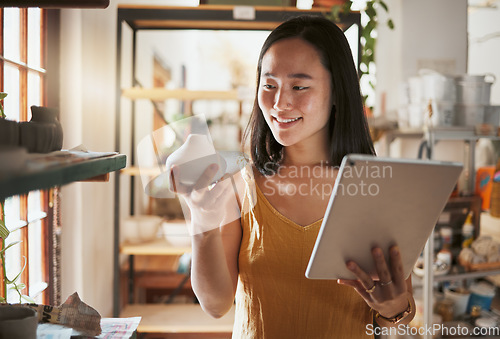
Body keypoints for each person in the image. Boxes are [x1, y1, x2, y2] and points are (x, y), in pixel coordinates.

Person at [171, 15, 415, 338]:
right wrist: (200, 219)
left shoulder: (375, 190)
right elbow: (215, 304)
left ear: (338, 92)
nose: (279, 103)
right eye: (269, 85)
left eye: (299, 86)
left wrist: (394, 308)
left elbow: (394, 313)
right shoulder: (241, 186)